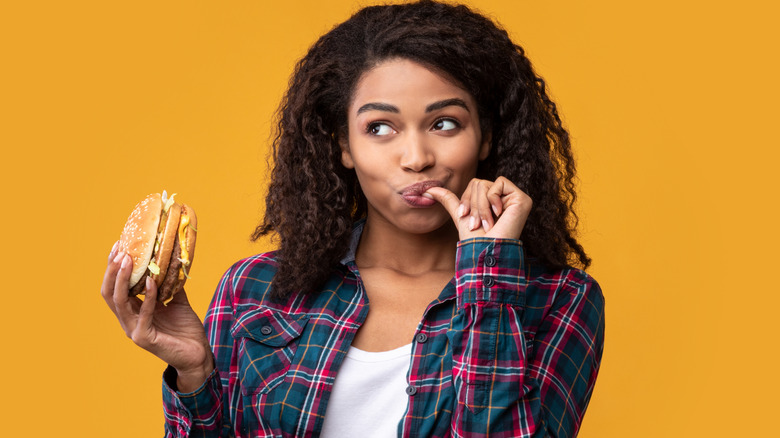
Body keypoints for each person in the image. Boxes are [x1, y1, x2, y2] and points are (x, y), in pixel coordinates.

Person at [101, 1, 605, 437]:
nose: (416, 157)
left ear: (487, 137)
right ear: (343, 146)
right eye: (380, 127)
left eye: (444, 123)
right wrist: (194, 374)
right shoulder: (257, 289)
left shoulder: (559, 300)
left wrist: (487, 270)